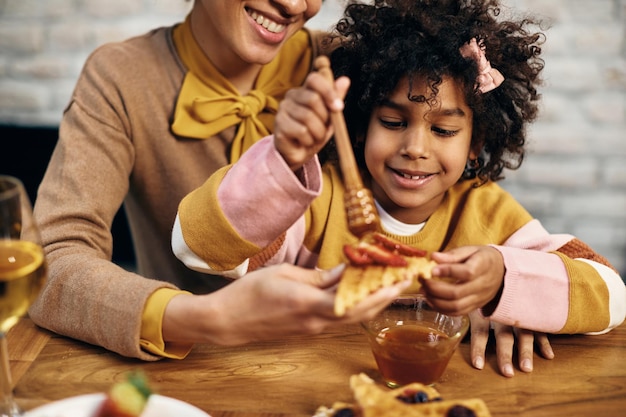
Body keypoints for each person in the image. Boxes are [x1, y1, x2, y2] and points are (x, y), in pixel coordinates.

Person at [172, 0, 626, 377]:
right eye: (392, 123)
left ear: (477, 143)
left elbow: (611, 294)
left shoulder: (486, 213)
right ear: (361, 122)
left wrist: (506, 279)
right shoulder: (317, 198)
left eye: (444, 131)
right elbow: (196, 247)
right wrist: (284, 159)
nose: (414, 148)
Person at [29, 0, 409, 361]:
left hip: (344, 367)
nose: (295, 5)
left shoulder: (354, 59)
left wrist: (465, 294)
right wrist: (208, 317)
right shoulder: (121, 78)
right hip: (182, 373)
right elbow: (49, 264)